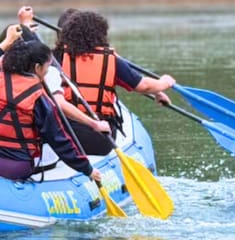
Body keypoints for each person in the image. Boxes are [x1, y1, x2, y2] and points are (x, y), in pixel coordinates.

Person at [0, 39, 101, 183]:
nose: (47, 71)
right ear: (37, 67)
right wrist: (88, 169)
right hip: (14, 166)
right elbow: (59, 141)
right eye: (47, 66)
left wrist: (5, 43)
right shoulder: (40, 99)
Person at [56, 10, 176, 154]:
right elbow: (143, 85)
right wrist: (165, 82)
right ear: (100, 34)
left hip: (65, 138)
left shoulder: (55, 59)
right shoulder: (110, 60)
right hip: (102, 139)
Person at [16, 6, 111, 144]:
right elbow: (143, 85)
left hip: (64, 131)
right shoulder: (107, 58)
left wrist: (25, 26)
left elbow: (30, 48)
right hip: (88, 132)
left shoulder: (47, 60)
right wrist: (94, 123)